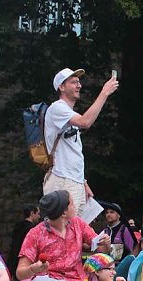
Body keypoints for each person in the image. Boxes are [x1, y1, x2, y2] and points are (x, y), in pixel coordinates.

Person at [43, 67, 119, 216]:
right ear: (61, 87)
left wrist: (83, 182)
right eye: (73, 82)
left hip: (73, 181)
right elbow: (85, 122)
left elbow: (73, 153)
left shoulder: (69, 114)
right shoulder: (57, 108)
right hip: (63, 180)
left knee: (75, 228)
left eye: (78, 82)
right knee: (64, 228)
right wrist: (104, 93)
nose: (79, 85)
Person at [6, 205, 40, 281]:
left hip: (13, 259)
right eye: (38, 214)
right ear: (32, 213)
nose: (39, 216)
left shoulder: (17, 227)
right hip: (24, 262)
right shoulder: (32, 230)